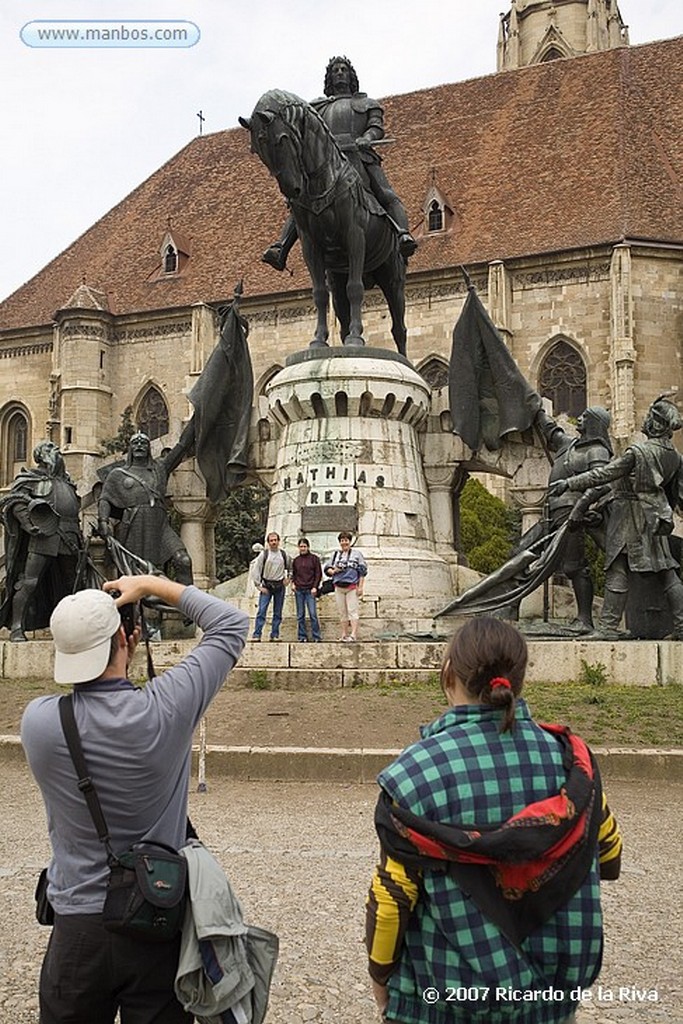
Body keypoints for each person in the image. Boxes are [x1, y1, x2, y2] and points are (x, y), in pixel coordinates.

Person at [365, 616, 622, 1024]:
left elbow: (392, 899)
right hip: (550, 1003)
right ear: (518, 679)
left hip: (442, 1002)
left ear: (448, 674)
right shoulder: (572, 761)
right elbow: (609, 856)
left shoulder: (414, 774)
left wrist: (381, 980)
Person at [20, 573, 249, 1023]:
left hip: (76, 927)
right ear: (128, 636)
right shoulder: (166, 708)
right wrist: (149, 584)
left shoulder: (40, 723)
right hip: (156, 919)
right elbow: (230, 624)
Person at [262, 55, 417, 272]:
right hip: (327, 164)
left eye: (344, 69)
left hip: (359, 157)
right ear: (329, 78)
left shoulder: (366, 104)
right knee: (301, 201)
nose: (340, 73)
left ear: (352, 76)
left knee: (386, 194)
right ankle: (281, 248)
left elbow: (376, 127)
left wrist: (367, 139)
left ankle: (403, 234)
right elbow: (306, 134)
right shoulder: (316, 108)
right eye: (335, 71)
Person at [549, 395, 683, 639]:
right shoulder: (674, 455)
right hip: (655, 519)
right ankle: (682, 627)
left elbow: (603, 475)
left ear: (655, 423)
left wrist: (568, 483)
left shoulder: (638, 451)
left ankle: (608, 628)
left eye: (648, 417)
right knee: (666, 572)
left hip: (628, 517)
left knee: (617, 569)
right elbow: (676, 494)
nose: (644, 420)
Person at [534, 405, 613, 632]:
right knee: (526, 553)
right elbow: (552, 432)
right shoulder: (569, 445)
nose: (579, 418)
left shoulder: (597, 451)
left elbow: (601, 483)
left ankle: (585, 620)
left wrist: (580, 508)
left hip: (573, 514)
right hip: (553, 513)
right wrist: (536, 409)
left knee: (574, 566)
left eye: (585, 417)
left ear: (595, 424)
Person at [0, 440, 85, 642]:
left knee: (72, 584)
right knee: (29, 581)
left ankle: (71, 628)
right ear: (41, 456)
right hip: (44, 536)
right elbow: (15, 502)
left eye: (56, 448)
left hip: (70, 536)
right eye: (51, 449)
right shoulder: (30, 479)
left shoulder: (67, 483)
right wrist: (30, 525)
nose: (56, 451)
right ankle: (17, 627)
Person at [97, 431, 193, 584]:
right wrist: (103, 522)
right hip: (133, 526)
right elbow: (105, 499)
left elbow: (181, 448)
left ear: (149, 448)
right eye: (135, 443)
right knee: (134, 577)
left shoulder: (160, 468)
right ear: (130, 448)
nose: (139, 446)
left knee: (183, 560)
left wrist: (197, 420)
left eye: (143, 443)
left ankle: (189, 605)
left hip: (160, 526)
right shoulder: (118, 474)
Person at [323, 531, 368, 641]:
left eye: (346, 540)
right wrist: (333, 571)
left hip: (352, 586)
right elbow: (327, 568)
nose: (344, 543)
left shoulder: (357, 554)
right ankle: (344, 634)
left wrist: (361, 587)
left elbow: (362, 571)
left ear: (350, 541)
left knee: (353, 611)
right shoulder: (335, 555)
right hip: (338, 587)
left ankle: (353, 634)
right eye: (342, 540)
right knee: (342, 612)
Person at [250, 531, 293, 641]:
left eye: (275, 540)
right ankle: (257, 634)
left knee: (277, 612)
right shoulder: (264, 554)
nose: (273, 542)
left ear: (279, 541)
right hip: (266, 586)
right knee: (262, 611)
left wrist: (288, 578)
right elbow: (257, 569)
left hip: (279, 586)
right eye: (271, 540)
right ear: (268, 542)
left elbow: (291, 567)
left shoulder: (284, 555)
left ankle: (274, 634)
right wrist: (258, 586)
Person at [291, 537, 323, 642]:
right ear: (298, 548)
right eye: (301, 546)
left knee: (313, 614)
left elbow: (318, 574)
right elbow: (294, 574)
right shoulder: (296, 560)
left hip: (310, 590)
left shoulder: (314, 559)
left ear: (308, 547)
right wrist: (293, 584)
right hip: (299, 590)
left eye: (304, 546)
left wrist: (315, 587)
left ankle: (316, 636)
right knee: (300, 615)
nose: (303, 548)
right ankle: (302, 636)